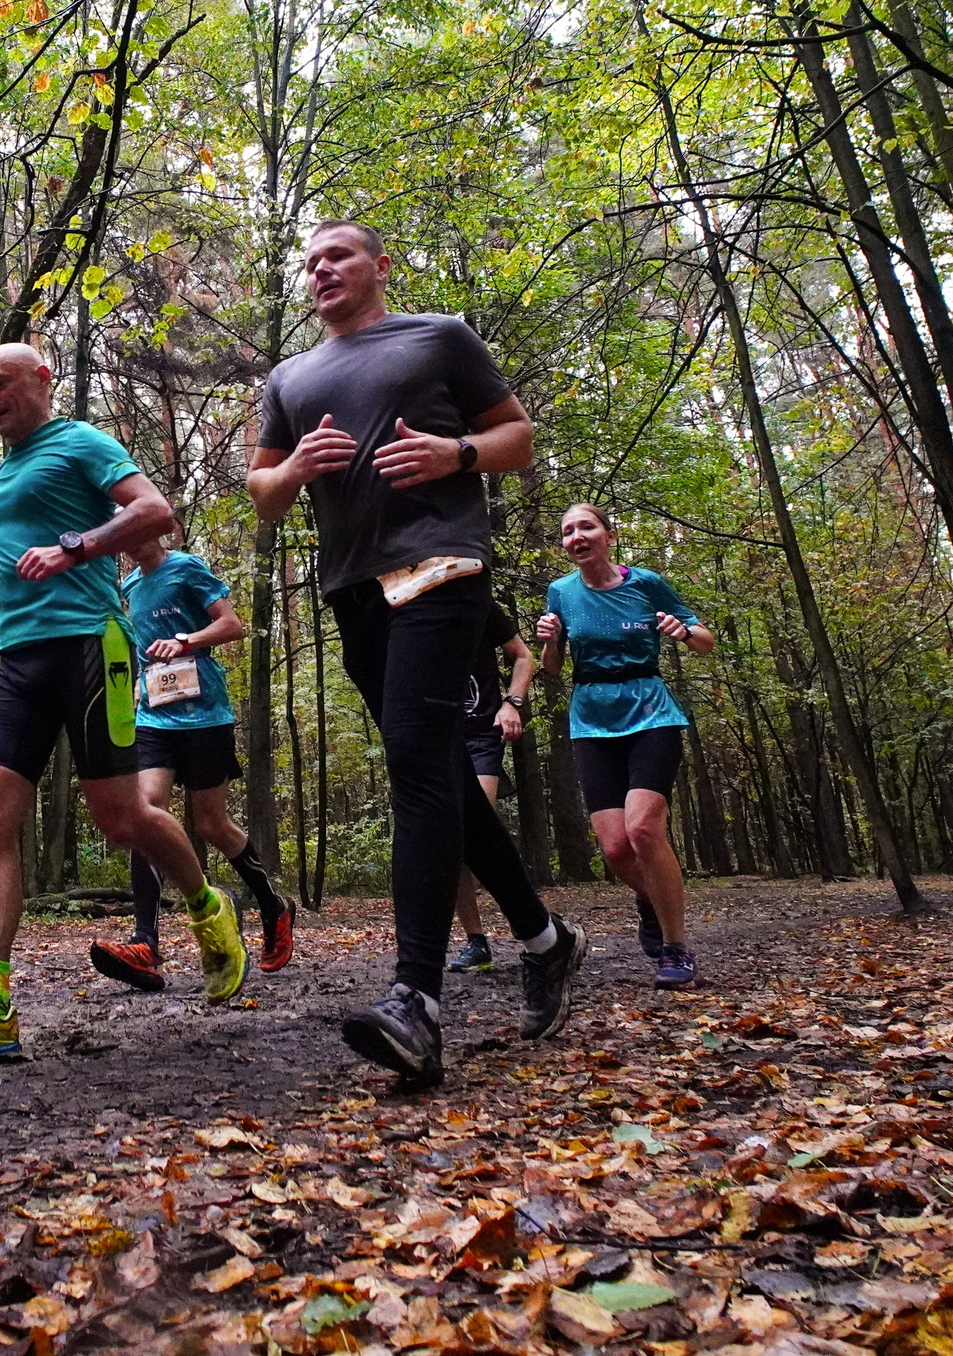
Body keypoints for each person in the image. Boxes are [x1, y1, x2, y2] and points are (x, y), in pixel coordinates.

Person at [247, 219, 584, 1086]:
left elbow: (519, 436)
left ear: (379, 264)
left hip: (442, 564)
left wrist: (454, 452)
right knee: (430, 764)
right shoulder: (290, 376)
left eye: (339, 255)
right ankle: (545, 939)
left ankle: (416, 1001)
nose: (322, 269)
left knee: (415, 768)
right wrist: (294, 471)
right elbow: (263, 492)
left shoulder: (438, 337)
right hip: (354, 588)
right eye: (311, 262)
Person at [0, 345, 250, 1061]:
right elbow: (21, 551)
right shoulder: (5, 473)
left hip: (93, 644)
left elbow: (157, 512)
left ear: (41, 378)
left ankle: (209, 911)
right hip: (21, 654)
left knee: (123, 819)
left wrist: (78, 547)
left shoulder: (81, 441)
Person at [87, 533, 297, 991]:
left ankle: (272, 907)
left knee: (211, 823)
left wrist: (186, 640)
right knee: (146, 813)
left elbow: (232, 625)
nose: (129, 546)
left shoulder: (187, 567)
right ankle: (146, 944)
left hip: (204, 713)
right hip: (153, 717)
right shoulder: (128, 588)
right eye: (122, 540)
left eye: (134, 534)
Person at [534, 502, 715, 991]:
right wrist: (550, 641)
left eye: (586, 526)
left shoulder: (647, 583)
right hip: (592, 719)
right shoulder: (561, 592)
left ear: (609, 535)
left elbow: (705, 640)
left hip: (651, 712)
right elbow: (552, 670)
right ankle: (652, 899)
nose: (577, 536)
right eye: (568, 530)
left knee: (643, 830)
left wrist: (683, 630)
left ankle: (676, 949)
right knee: (615, 848)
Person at [447, 600, 536, 974]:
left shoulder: (478, 604)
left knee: (474, 831)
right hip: (437, 739)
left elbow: (523, 656)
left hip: (482, 733)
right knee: (447, 842)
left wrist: (512, 703)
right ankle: (476, 942)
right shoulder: (399, 607)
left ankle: (525, 914)